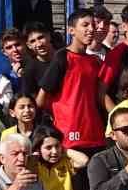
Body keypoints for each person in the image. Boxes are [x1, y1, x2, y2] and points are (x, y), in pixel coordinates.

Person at [38, 10, 108, 159]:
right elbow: (41, 98)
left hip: (95, 135)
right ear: (71, 30)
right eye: (85, 25)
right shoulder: (63, 57)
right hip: (69, 136)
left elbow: (101, 96)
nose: (91, 29)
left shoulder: (95, 62)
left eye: (93, 25)